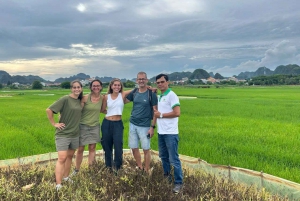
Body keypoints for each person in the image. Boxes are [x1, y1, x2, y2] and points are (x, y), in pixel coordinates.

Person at [46, 80, 83, 190]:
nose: (76, 89)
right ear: (71, 88)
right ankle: (58, 183)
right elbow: (49, 110)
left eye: (78, 87)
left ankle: (66, 177)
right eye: (74, 87)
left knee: (70, 156)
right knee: (62, 158)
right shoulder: (65, 99)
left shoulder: (80, 100)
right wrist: (54, 123)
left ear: (81, 88)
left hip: (75, 134)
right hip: (63, 134)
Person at [153, 73, 183, 194]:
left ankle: (178, 183)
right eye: (158, 82)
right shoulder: (160, 96)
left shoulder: (172, 95)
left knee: (173, 158)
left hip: (171, 133)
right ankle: (167, 178)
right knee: (163, 157)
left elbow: (177, 113)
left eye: (162, 82)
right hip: (161, 132)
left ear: (167, 82)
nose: (160, 84)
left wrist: (160, 115)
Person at [126, 72, 158, 173]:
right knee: (134, 147)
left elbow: (155, 112)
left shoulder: (151, 94)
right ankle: (140, 167)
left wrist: (152, 127)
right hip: (132, 124)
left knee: (146, 149)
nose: (141, 81)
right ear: (136, 80)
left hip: (144, 126)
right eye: (139, 79)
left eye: (143, 79)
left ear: (146, 80)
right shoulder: (134, 92)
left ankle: (147, 169)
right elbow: (123, 100)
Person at [72, 79, 105, 176]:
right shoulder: (85, 98)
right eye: (94, 86)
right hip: (83, 126)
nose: (96, 87)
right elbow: (77, 110)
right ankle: (76, 170)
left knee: (92, 147)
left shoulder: (103, 98)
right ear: (90, 87)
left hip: (95, 126)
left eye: (98, 85)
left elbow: (103, 109)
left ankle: (91, 169)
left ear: (101, 87)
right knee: (80, 148)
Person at [100, 78, 131, 171]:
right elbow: (102, 109)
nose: (117, 87)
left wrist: (148, 88)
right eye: (115, 85)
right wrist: (110, 112)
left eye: (119, 85)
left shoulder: (122, 95)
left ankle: (118, 168)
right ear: (111, 86)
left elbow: (135, 90)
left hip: (118, 124)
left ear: (121, 87)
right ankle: (108, 167)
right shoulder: (106, 97)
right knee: (107, 146)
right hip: (107, 123)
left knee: (118, 146)